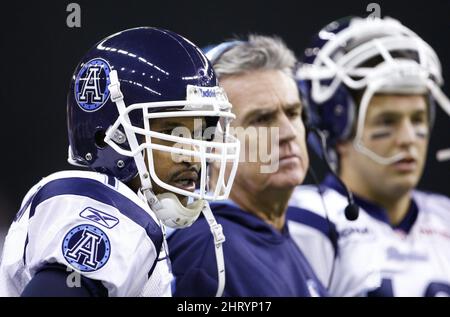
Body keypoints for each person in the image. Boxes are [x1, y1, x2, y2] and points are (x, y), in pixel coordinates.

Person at [0, 27, 240, 297]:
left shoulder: (141, 220)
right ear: (108, 136)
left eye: (197, 135)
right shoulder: (101, 211)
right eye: (173, 134)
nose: (192, 155)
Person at [288, 16, 450, 296]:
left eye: (418, 119)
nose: (408, 138)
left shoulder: (444, 217)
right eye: (387, 121)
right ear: (337, 129)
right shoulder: (306, 221)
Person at [168, 35, 327, 297]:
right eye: (262, 119)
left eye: (293, 113)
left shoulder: (269, 233)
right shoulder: (207, 249)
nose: (288, 132)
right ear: (210, 142)